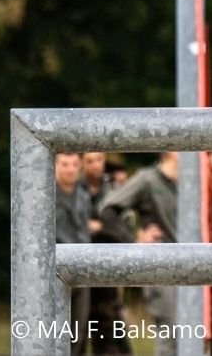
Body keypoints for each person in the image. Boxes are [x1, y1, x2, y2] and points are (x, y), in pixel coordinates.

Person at [100, 152, 179, 356]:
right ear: (169, 150)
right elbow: (108, 210)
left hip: (196, 270)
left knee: (196, 336)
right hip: (162, 270)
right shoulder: (147, 180)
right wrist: (134, 242)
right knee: (171, 334)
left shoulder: (192, 181)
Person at [81, 152, 132, 355]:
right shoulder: (72, 189)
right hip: (79, 270)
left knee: (110, 330)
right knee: (75, 333)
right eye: (90, 161)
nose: (96, 165)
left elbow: (124, 227)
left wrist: (100, 227)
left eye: (99, 160)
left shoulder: (113, 190)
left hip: (108, 268)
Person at [55, 152, 91, 355]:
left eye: (74, 164)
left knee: (78, 333)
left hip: (82, 271)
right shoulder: (46, 194)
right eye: (64, 164)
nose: (70, 169)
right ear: (55, 165)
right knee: (53, 331)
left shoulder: (83, 196)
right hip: (56, 270)